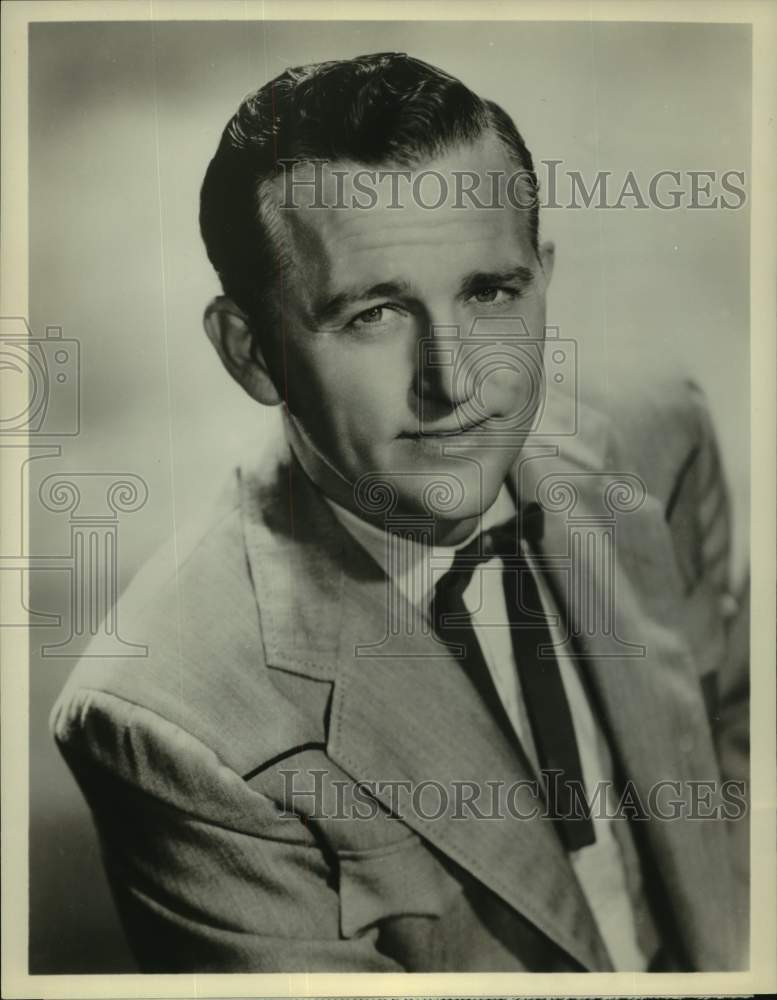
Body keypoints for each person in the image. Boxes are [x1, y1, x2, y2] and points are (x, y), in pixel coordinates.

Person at [51, 52, 748, 973]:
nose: (454, 381)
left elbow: (735, 773)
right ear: (250, 352)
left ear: (541, 279)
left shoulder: (660, 438)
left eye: (489, 293)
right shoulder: (172, 721)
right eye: (372, 314)